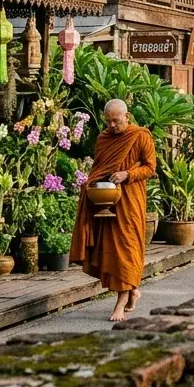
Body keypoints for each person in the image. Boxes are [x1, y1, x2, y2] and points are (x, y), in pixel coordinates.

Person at [71, 98, 158, 322]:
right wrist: (90, 185)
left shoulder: (140, 136)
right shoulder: (103, 138)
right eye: (108, 121)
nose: (112, 125)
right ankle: (132, 290)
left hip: (130, 201)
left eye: (116, 121)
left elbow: (150, 168)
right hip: (106, 202)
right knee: (110, 250)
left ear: (127, 117)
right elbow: (99, 168)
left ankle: (120, 302)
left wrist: (127, 174)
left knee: (126, 248)